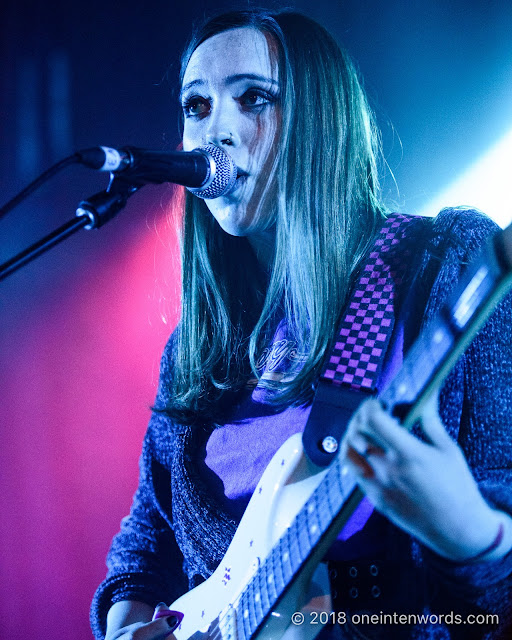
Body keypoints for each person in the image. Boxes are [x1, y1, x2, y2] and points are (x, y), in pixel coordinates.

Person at [91, 9, 512, 640]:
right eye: (197, 107)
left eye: (254, 98)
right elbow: (145, 549)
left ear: (323, 121)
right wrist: (127, 627)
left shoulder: (443, 265)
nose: (218, 131)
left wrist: (470, 537)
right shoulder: (194, 351)